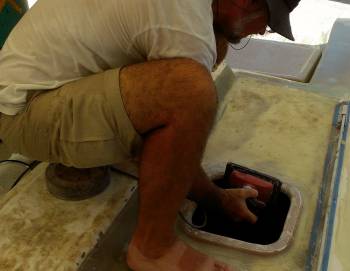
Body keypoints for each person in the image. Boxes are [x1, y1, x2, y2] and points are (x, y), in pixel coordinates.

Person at [0, 0, 300, 270]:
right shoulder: (185, 20)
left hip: (35, 88)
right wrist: (216, 199)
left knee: (197, 68)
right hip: (25, 111)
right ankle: (152, 248)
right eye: (266, 20)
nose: (261, 31)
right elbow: (179, 105)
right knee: (190, 88)